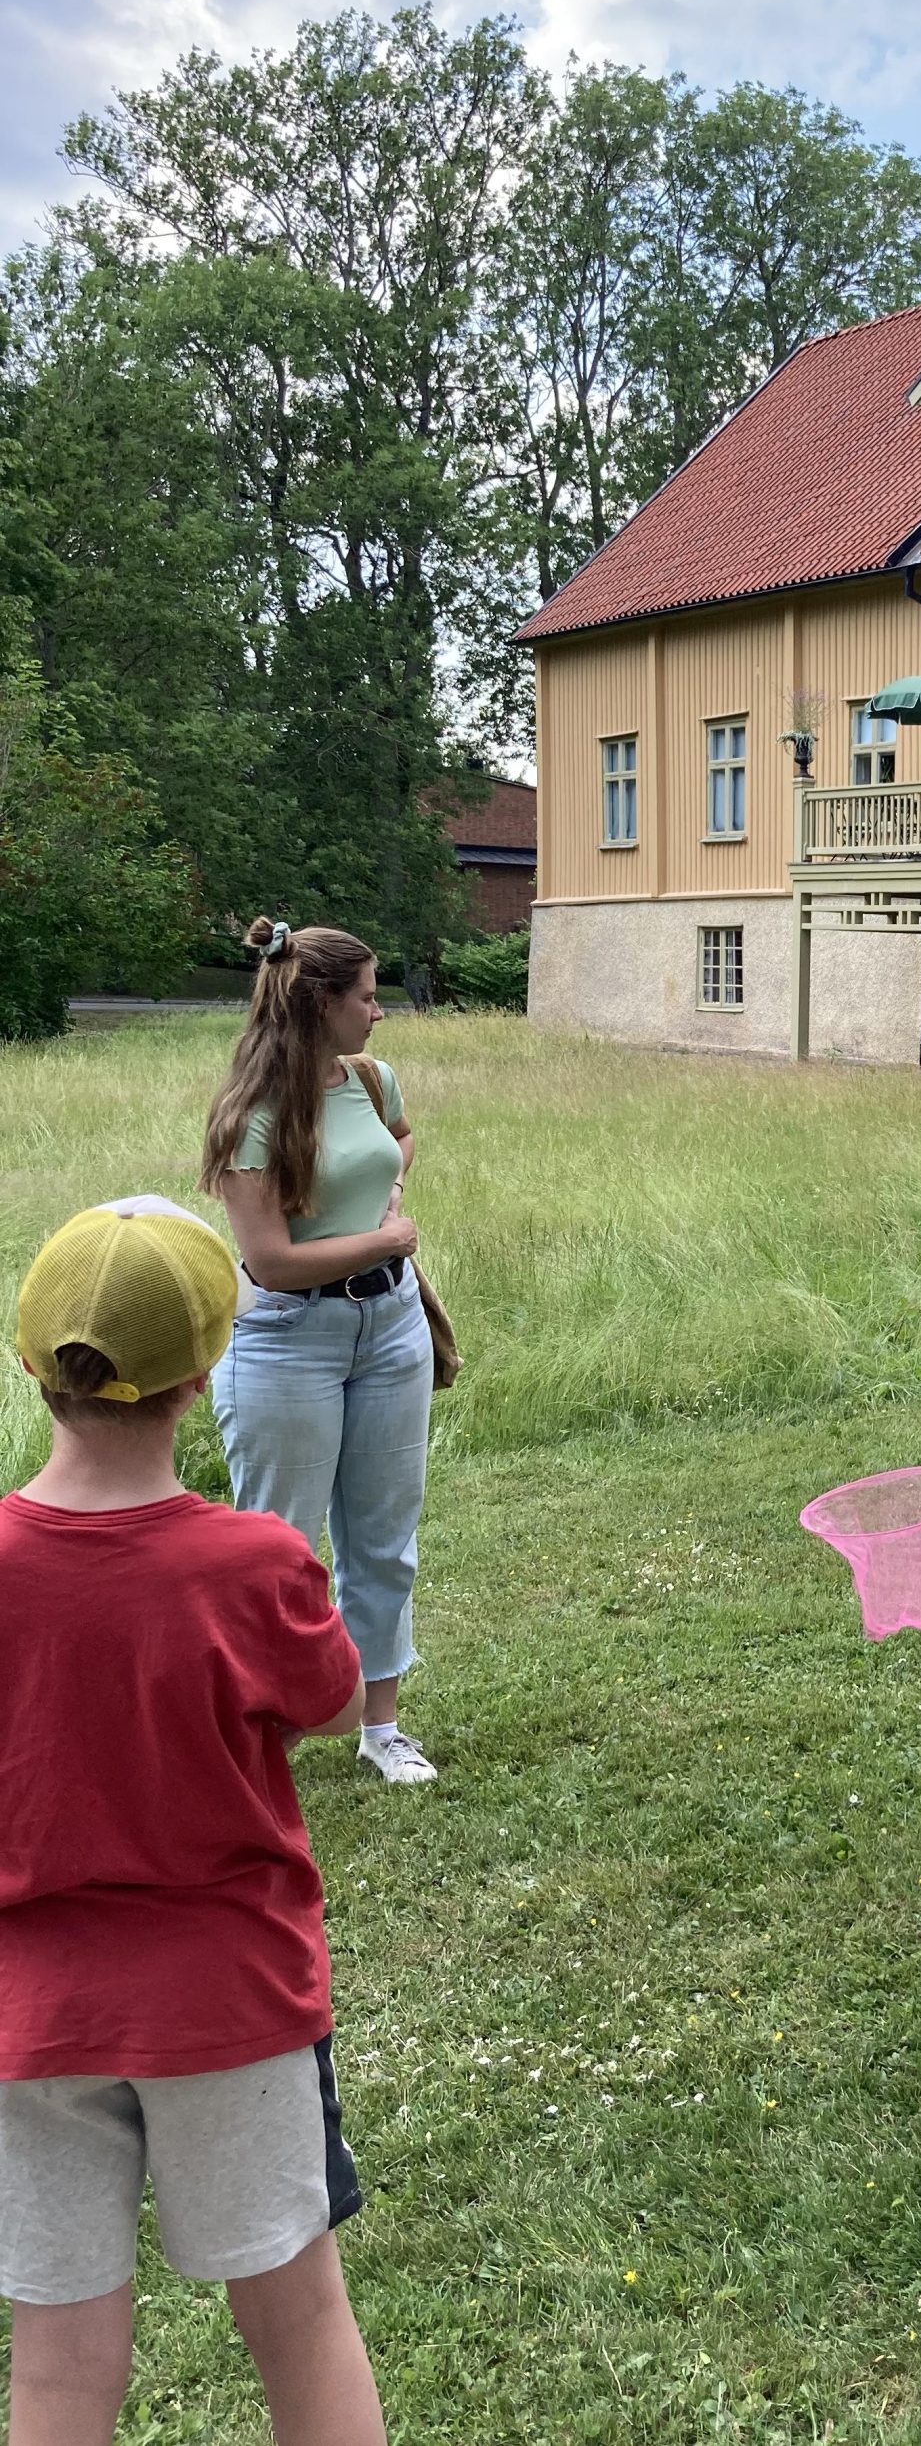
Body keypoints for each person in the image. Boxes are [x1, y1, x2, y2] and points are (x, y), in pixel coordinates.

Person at [1, 1197, 386, 2446]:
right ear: (204, 1371)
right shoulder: (254, 1563)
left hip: (31, 2017)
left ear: (34, 1362)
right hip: (230, 2005)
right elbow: (335, 1704)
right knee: (298, 2319)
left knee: (59, 2367)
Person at [200, 918, 438, 1785]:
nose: (379, 1011)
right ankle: (264, 1734)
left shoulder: (371, 1078)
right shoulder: (253, 1116)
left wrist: (392, 1188)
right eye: (367, 996)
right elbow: (270, 1260)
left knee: (384, 1537)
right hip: (286, 1341)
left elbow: (399, 1137)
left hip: (392, 1327)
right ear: (319, 1003)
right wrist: (388, 1239)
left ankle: (382, 1727)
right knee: (277, 1551)